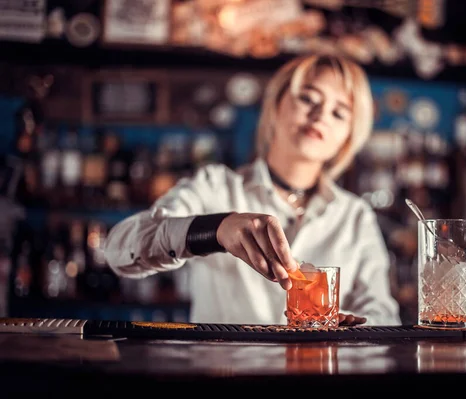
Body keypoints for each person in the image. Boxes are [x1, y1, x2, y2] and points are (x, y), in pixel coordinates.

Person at [104, 54, 401, 326]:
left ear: (348, 136)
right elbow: (118, 251)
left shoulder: (354, 215)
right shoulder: (215, 186)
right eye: (309, 98)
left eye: (339, 113)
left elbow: (383, 313)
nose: (321, 115)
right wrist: (214, 229)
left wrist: (355, 326)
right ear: (276, 105)